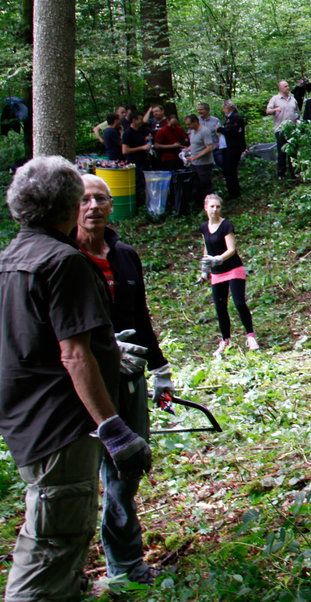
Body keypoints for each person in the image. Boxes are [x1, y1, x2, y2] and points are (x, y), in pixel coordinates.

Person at [0, 156, 151, 600]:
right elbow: (74, 354)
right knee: (52, 540)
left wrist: (112, 349)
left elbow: (33, 338)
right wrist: (114, 428)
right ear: (68, 206)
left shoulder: (10, 258)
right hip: (60, 425)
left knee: (58, 538)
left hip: (25, 419)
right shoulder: (63, 262)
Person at [75, 174, 174, 585]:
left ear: (111, 205)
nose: (93, 206)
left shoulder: (125, 256)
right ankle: (69, 568)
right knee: (76, 481)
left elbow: (141, 319)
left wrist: (161, 369)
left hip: (129, 380)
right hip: (78, 386)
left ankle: (126, 564)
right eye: (84, 199)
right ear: (71, 207)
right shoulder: (65, 258)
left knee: (124, 471)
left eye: (100, 198)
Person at [199, 194, 258, 355]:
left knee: (239, 303)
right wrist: (205, 270)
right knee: (220, 308)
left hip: (233, 269)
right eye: (212, 206)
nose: (215, 210)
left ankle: (250, 336)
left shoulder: (226, 225)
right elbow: (206, 248)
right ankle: (225, 340)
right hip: (217, 273)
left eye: (218, 207)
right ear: (206, 208)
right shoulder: (204, 227)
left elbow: (231, 249)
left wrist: (218, 259)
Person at [266, 80, 299, 179]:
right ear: (280, 89)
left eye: (288, 86)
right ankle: (281, 173)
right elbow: (267, 111)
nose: (288, 88)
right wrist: (275, 109)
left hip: (292, 129)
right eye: (285, 86)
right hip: (280, 129)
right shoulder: (275, 99)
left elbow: (297, 112)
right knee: (282, 151)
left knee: (293, 151)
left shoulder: (293, 99)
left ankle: (294, 172)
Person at [121, 112, 153, 207]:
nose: (142, 121)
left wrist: (146, 140)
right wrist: (142, 148)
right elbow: (125, 150)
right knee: (137, 185)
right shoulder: (128, 133)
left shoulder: (140, 131)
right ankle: (136, 207)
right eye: (140, 119)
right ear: (134, 120)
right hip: (135, 163)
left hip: (144, 161)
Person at [185, 114, 217, 200]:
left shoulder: (204, 131)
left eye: (189, 124)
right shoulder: (193, 131)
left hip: (204, 164)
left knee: (205, 185)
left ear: (195, 122)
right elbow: (194, 144)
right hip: (194, 164)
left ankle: (210, 203)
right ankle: (198, 205)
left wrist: (196, 157)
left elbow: (210, 147)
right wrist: (185, 151)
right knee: (195, 185)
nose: (188, 126)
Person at [220, 101, 247, 200]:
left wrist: (219, 129)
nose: (223, 110)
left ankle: (235, 193)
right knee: (227, 170)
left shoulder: (236, 117)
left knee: (230, 170)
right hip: (228, 147)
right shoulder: (229, 118)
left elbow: (233, 131)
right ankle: (232, 191)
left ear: (228, 108)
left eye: (224, 107)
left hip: (233, 147)